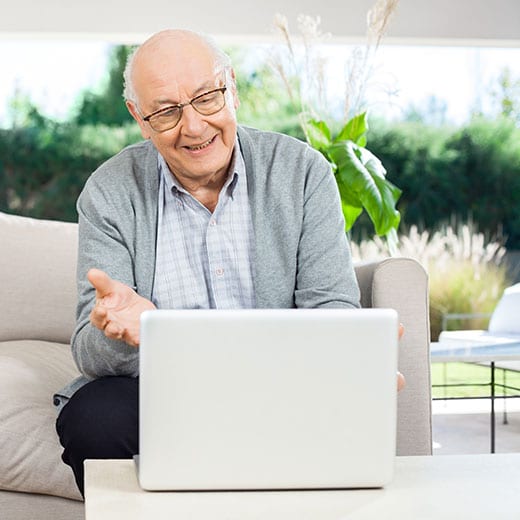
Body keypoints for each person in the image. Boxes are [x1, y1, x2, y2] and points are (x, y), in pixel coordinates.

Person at [55, 29, 401, 496]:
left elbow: (332, 308)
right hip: (161, 393)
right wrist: (122, 333)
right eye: (166, 111)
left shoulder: (301, 172)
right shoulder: (110, 191)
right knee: (93, 417)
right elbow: (88, 350)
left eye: (207, 98)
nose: (194, 127)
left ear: (232, 89)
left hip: (282, 386)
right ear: (141, 118)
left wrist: (352, 361)